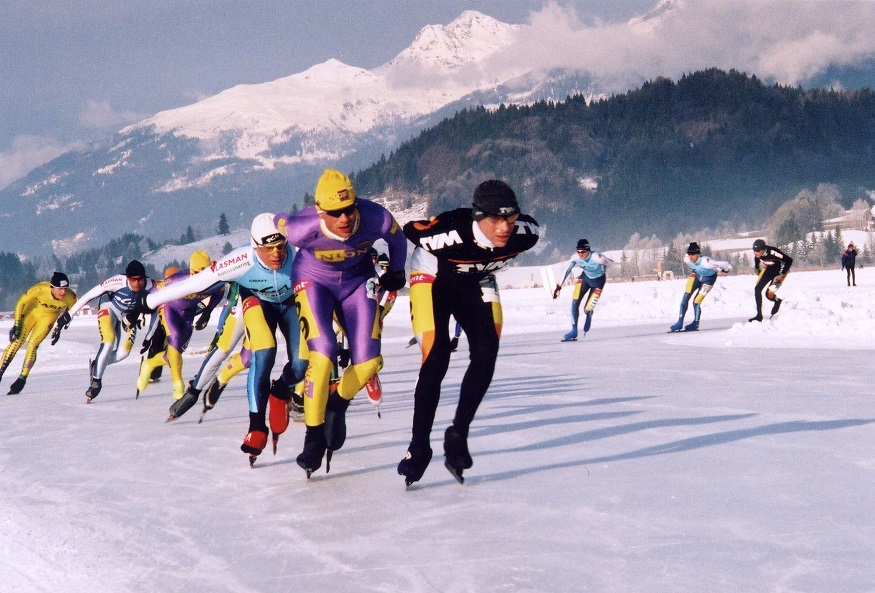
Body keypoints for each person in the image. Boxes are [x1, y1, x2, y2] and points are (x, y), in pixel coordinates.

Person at [136, 214, 308, 464]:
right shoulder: (239, 260)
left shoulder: (300, 254)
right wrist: (151, 300)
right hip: (255, 302)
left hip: (289, 303)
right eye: (267, 249)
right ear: (254, 246)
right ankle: (257, 426)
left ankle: (280, 392)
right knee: (264, 351)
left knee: (301, 364)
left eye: (281, 247)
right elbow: (195, 282)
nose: (276, 255)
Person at [399, 179, 539, 486]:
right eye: (495, 220)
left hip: (478, 278)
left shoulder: (526, 233)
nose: (505, 228)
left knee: (487, 352)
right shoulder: (448, 234)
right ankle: (418, 446)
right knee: (436, 359)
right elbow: (409, 229)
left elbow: (520, 228)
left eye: (510, 219)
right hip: (433, 276)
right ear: (478, 217)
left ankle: (458, 434)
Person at [274, 168, 407, 477]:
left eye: (349, 210)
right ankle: (313, 437)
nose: (345, 219)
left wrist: (397, 269)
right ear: (321, 211)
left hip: (358, 282)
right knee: (321, 356)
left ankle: (337, 403)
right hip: (312, 281)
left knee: (369, 363)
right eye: (335, 213)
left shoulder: (377, 216)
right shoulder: (300, 228)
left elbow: (397, 239)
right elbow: (277, 220)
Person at [56, 260, 156, 402]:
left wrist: (149, 335)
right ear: (128, 278)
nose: (138, 283)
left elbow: (158, 309)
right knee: (108, 342)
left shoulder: (151, 285)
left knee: (123, 354)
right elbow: (89, 295)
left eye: (140, 279)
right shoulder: (116, 281)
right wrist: (68, 315)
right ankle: (96, 382)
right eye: (134, 279)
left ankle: (98, 364)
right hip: (109, 308)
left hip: (128, 318)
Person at [135, 250, 224, 400]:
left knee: (174, 354)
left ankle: (149, 364)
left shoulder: (214, 280)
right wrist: (138, 313)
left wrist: (207, 312)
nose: (195, 277)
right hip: (169, 307)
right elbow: (150, 293)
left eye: (199, 274)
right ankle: (178, 386)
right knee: (174, 339)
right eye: (193, 272)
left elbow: (219, 293)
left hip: (188, 313)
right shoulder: (180, 277)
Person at [0, 272, 77, 394]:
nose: (63, 292)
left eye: (65, 289)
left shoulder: (71, 297)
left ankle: (22, 379)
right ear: (52, 287)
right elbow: (21, 302)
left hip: (48, 317)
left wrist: (59, 329)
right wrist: (17, 324)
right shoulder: (41, 289)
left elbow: (70, 314)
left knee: (32, 345)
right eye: (60, 289)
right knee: (17, 341)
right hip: (32, 311)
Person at [552, 239, 614, 340]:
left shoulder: (596, 257)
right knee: (575, 301)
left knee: (587, 309)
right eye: (578, 252)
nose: (581, 254)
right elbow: (567, 270)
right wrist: (559, 286)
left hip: (598, 282)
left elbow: (610, 263)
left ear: (588, 250)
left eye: (583, 252)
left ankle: (589, 314)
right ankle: (574, 330)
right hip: (585, 279)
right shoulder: (575, 258)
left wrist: (603, 267)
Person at [669, 242, 732, 332]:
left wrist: (726, 270)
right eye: (689, 254)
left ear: (698, 254)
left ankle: (695, 323)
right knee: (685, 297)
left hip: (709, 280)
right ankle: (679, 322)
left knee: (696, 301)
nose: (690, 256)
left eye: (693, 254)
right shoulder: (686, 259)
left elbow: (725, 264)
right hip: (696, 276)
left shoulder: (706, 262)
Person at [750, 238, 792, 322]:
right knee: (757, 289)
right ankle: (759, 316)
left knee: (768, 294)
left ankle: (777, 301)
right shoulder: (758, 254)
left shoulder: (773, 252)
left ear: (763, 250)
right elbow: (757, 259)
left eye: (757, 251)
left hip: (780, 271)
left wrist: (782, 273)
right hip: (769, 269)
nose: (755, 253)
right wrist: (757, 267)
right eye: (754, 251)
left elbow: (789, 260)